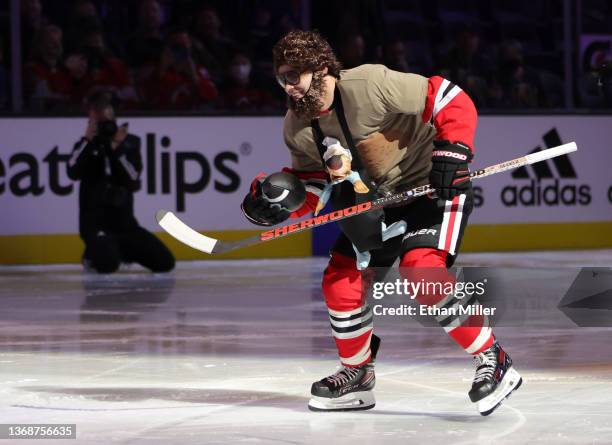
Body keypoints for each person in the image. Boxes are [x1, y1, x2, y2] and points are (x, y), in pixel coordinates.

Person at [240, 30, 522, 415]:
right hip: (376, 203)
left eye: (295, 76)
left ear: (321, 68)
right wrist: (279, 202)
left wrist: (453, 150)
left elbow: (447, 96)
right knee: (340, 281)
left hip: (432, 189)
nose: (288, 86)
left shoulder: (369, 84)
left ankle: (494, 359)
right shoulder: (298, 126)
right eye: (282, 78)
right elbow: (314, 184)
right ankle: (357, 374)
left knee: (421, 272)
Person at [66, 91, 175, 274]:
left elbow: (132, 180)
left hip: (126, 225)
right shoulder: (85, 146)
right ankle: (93, 254)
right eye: (100, 123)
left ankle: (120, 251)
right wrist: (88, 140)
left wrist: (117, 149)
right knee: (108, 264)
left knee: (165, 263)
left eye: (108, 121)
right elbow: (72, 172)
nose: (105, 127)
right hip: (96, 226)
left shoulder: (129, 145)